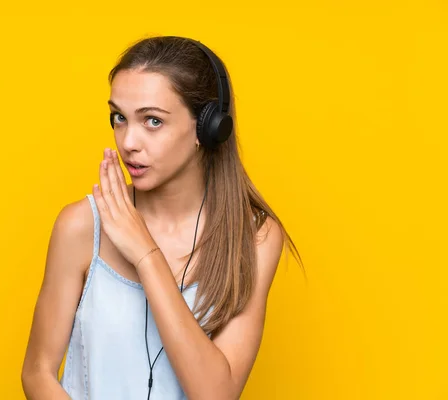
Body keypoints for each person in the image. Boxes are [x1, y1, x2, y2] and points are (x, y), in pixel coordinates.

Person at [21, 35, 304, 400]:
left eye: (152, 121)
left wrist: (145, 253)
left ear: (207, 128)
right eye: (119, 118)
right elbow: (38, 372)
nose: (128, 142)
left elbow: (215, 395)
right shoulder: (80, 226)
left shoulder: (255, 238)